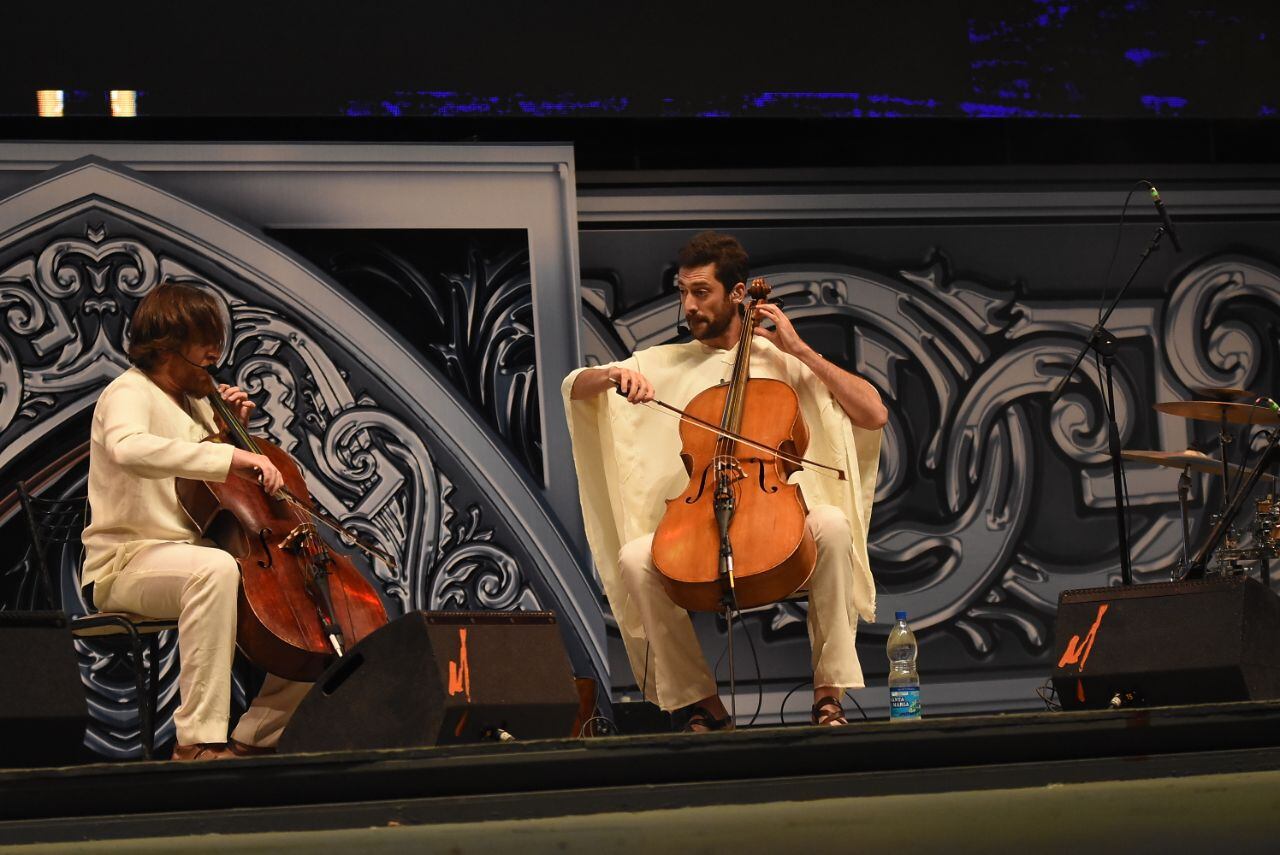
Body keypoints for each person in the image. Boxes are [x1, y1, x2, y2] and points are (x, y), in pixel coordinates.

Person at [562, 232, 886, 730]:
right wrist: (611, 377)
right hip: (701, 525)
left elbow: (872, 413)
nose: (688, 305)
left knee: (834, 526)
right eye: (683, 292)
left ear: (738, 294)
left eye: (701, 292)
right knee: (635, 559)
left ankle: (829, 697)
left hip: (780, 523)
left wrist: (799, 349)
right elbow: (575, 387)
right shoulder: (661, 362)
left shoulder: (784, 361)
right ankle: (704, 707)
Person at [81, 282, 310, 760]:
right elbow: (128, 448)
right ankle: (197, 742)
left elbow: (215, 492)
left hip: (191, 557)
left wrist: (233, 431)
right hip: (127, 563)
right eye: (205, 339)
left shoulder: (202, 405)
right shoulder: (127, 392)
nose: (217, 352)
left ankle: (255, 737)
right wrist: (227, 454)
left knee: (306, 599)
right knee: (215, 570)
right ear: (167, 345)